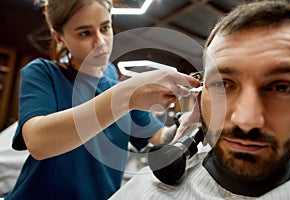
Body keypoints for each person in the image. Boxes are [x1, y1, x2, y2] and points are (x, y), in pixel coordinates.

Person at [4, 0, 200, 199]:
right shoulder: (44, 74)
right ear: (59, 37)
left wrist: (189, 122)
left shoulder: (118, 88)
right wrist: (126, 95)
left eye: (105, 28)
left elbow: (159, 136)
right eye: (84, 33)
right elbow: (38, 142)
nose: (100, 42)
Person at [109, 1, 290, 199]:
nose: (246, 120)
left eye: (282, 88)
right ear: (201, 101)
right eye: (223, 85)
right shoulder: (144, 192)